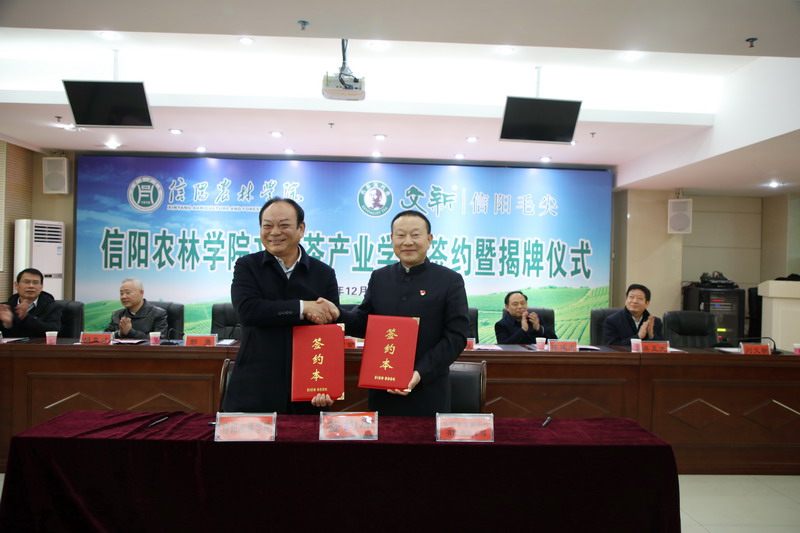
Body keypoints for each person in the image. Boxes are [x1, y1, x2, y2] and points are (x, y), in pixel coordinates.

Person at [336, 210, 470, 416]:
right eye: (400, 235)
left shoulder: (449, 280)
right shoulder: (380, 277)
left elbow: (456, 336)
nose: (408, 242)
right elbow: (363, 323)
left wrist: (420, 372)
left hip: (428, 391)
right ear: (392, 239)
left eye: (415, 235)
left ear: (429, 239)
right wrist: (336, 313)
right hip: (382, 391)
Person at [222, 198, 341, 414]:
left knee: (305, 436)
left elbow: (330, 329)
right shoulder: (247, 266)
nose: (274, 232)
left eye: (284, 225)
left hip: (308, 389)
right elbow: (248, 311)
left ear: (301, 228)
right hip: (255, 386)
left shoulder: (324, 273)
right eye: (267, 226)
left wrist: (326, 383)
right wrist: (303, 308)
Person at [0, 268, 62, 338]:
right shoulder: (5, 308)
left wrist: (26, 317)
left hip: (39, 345)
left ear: (41, 286)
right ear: (16, 285)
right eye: (26, 282)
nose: (31, 286)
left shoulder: (52, 307)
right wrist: (7, 323)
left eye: (35, 283)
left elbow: (53, 332)